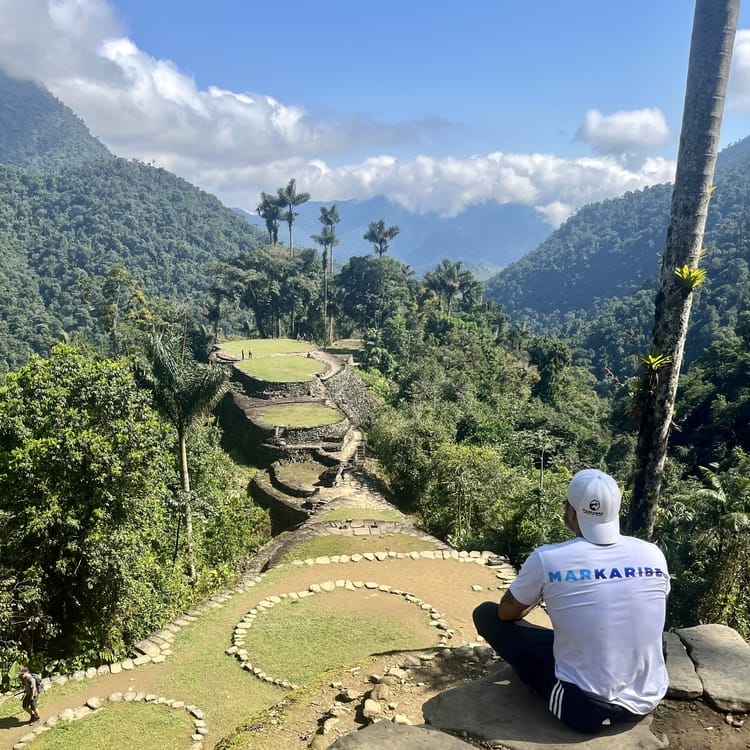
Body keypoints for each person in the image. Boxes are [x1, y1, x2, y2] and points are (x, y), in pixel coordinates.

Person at [473, 469, 670, 734]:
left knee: (486, 614)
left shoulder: (548, 558)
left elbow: (507, 614)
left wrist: (538, 598)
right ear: (615, 511)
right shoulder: (652, 553)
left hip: (587, 709)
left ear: (572, 512)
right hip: (651, 694)